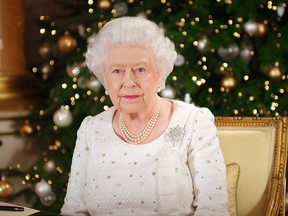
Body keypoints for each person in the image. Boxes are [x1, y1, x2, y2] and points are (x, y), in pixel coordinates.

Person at [61, 16, 229, 216]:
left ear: (159, 73)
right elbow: (73, 210)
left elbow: (214, 210)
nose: (129, 81)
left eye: (140, 69)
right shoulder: (91, 130)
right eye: (117, 71)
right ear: (104, 78)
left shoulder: (193, 123)